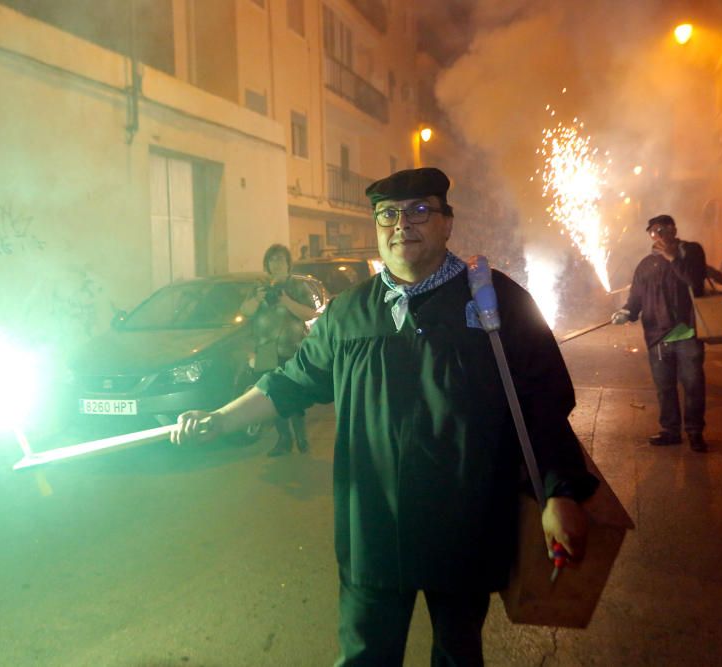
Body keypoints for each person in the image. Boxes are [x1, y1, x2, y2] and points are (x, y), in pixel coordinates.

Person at [174, 168, 598, 665]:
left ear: (447, 222)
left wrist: (560, 492)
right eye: (388, 214)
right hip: (372, 530)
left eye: (419, 210)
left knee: (457, 656)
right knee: (364, 656)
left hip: (463, 525)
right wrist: (220, 420)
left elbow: (542, 406)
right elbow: (290, 382)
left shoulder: (498, 305)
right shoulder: (348, 314)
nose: (402, 224)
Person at [612, 214, 708, 452]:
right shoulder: (646, 264)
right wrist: (626, 311)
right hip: (657, 336)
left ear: (673, 230)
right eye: (653, 231)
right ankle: (670, 430)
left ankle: (695, 431)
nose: (657, 235)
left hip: (688, 334)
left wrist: (673, 257)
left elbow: (695, 282)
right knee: (664, 387)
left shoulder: (691, 252)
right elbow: (636, 298)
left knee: (693, 385)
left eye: (662, 229)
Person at [239, 243, 317, 456]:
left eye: (280, 259)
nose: (276, 263)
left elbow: (310, 314)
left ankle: (301, 437)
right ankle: (284, 438)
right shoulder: (259, 287)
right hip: (265, 351)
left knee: (294, 395)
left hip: (291, 350)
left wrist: (286, 300)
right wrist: (257, 298)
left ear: (288, 263)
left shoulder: (297, 287)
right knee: (272, 397)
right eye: (272, 260)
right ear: (267, 264)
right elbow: (245, 312)